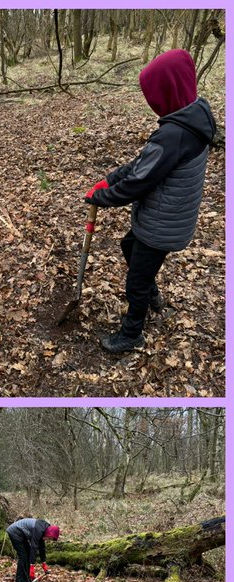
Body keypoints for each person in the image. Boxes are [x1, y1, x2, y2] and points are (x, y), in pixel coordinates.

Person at [85, 49, 217, 354]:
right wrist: (111, 178)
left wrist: (102, 197)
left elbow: (139, 182)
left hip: (162, 225)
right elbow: (144, 163)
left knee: (136, 282)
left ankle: (132, 334)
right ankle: (152, 294)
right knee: (128, 246)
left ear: (167, 89)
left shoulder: (172, 135)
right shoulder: (194, 116)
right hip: (171, 217)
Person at [6, 518, 60, 582]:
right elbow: (34, 547)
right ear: (49, 533)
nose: (48, 540)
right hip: (15, 531)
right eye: (49, 538)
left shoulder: (44, 529)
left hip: (21, 534)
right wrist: (32, 565)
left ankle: (26, 579)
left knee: (27, 554)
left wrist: (44, 562)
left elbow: (42, 547)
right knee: (23, 556)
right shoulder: (39, 530)